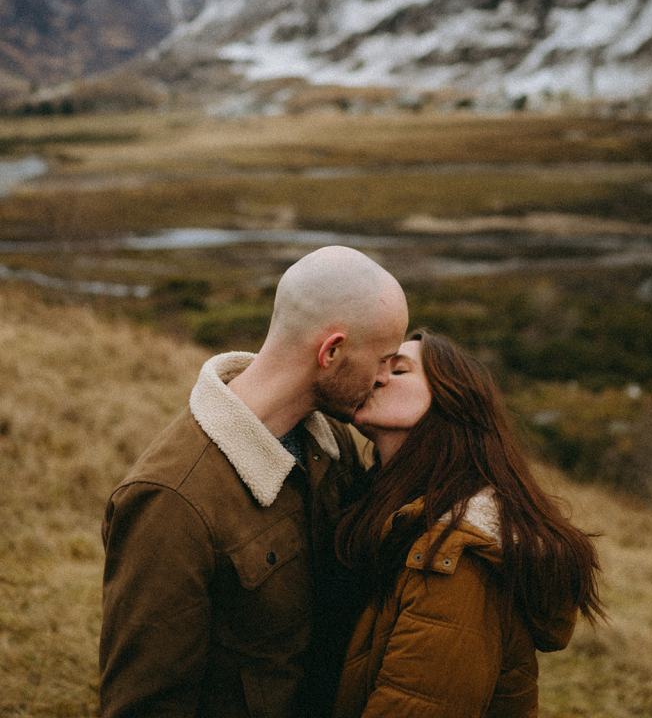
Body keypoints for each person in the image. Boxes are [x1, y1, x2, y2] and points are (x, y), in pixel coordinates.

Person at [99, 245, 408, 718]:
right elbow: (145, 704)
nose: (387, 377)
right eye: (385, 359)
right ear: (332, 351)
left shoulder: (334, 446)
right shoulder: (171, 502)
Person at [333, 329, 605, 718]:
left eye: (400, 370)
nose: (376, 376)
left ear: (450, 402)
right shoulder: (390, 508)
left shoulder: (455, 560)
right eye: (380, 366)